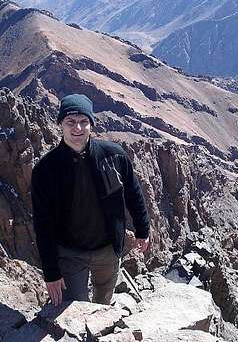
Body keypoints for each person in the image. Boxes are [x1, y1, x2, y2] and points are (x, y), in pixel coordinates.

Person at [31, 93, 150, 306]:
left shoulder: (114, 156)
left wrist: (143, 230)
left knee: (103, 304)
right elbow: (43, 224)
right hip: (69, 254)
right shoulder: (46, 170)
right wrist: (51, 272)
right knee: (74, 309)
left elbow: (133, 193)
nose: (77, 128)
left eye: (83, 121)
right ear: (60, 124)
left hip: (108, 250)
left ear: (91, 124)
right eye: (71, 122)